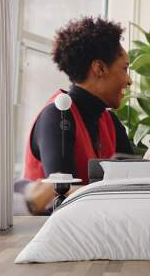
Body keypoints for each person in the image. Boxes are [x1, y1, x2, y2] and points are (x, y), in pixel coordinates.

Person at [22, 17, 133, 214]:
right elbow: (61, 195)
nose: (129, 80)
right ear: (99, 68)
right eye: (124, 69)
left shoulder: (110, 121)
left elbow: (136, 181)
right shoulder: (57, 116)